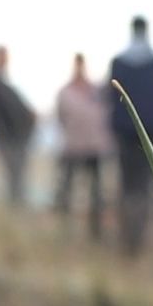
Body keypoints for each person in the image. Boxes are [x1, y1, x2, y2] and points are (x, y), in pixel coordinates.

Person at [107, 16, 153, 255]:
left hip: (126, 135)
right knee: (142, 188)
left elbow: (110, 98)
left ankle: (128, 239)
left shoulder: (119, 64)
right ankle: (136, 239)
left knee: (128, 187)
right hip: (149, 135)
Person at [53, 54, 111, 240]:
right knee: (67, 191)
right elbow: (61, 118)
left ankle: (96, 232)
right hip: (72, 147)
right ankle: (65, 231)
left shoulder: (95, 91)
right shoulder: (65, 92)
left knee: (96, 194)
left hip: (94, 148)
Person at [0, 45, 37, 208]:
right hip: (10, 141)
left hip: (13, 141)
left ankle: (16, 212)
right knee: (15, 182)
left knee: (17, 180)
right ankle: (15, 213)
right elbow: (13, 114)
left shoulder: (3, 85)